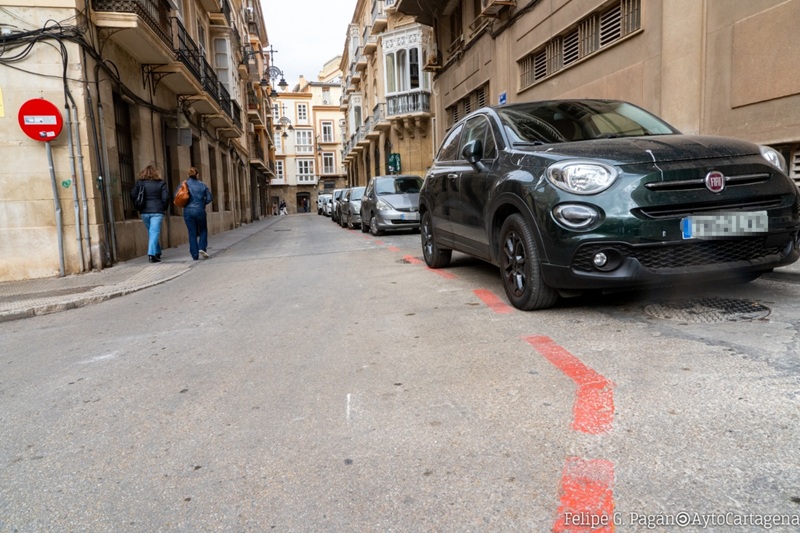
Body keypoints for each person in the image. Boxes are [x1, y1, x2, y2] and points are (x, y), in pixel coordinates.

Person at [130, 165, 168, 263]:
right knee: (154, 232)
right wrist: (163, 208)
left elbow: (132, 194)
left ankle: (157, 251)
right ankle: (152, 254)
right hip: (157, 211)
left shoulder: (140, 183)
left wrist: (138, 204)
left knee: (152, 232)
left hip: (144, 212)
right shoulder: (161, 183)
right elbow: (165, 198)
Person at [178, 167, 212, 260]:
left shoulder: (183, 184)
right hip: (200, 210)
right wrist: (202, 204)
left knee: (192, 232)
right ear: (197, 175)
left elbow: (177, 196)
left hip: (188, 211)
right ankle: (202, 248)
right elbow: (209, 198)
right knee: (203, 229)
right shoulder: (203, 185)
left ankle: (194, 255)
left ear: (188, 175)